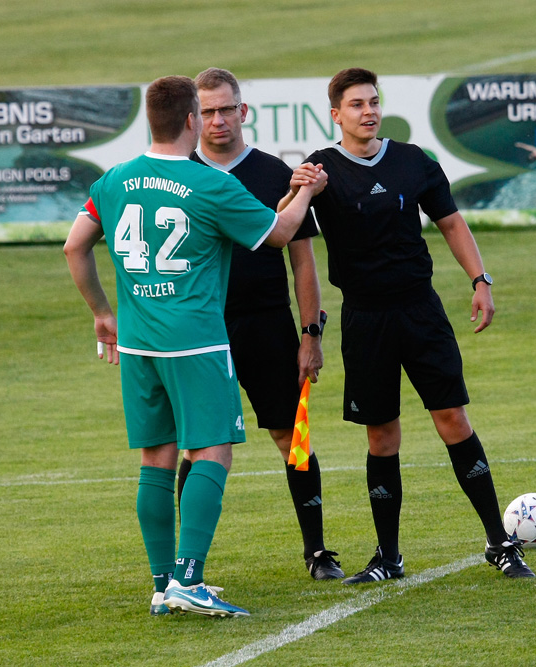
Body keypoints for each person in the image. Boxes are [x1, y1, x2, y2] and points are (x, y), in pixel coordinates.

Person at [63, 75, 326, 617]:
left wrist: (102, 315)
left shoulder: (113, 180)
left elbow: (75, 246)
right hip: (198, 342)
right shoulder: (209, 185)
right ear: (190, 120)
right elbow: (278, 235)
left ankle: (162, 584)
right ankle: (189, 578)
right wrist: (305, 193)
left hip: (137, 346)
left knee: (156, 458)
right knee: (213, 450)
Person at [283, 67, 535, 584]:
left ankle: (500, 542)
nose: (369, 111)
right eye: (356, 104)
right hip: (364, 318)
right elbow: (282, 228)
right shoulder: (319, 169)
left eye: (373, 101)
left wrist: (480, 279)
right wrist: (300, 191)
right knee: (382, 435)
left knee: (453, 421)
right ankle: (389, 557)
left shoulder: (414, 160)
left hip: (420, 310)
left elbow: (450, 222)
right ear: (336, 114)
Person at [174, 67, 343, 581]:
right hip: (201, 331)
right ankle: (187, 563)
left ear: (244, 111)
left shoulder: (275, 173)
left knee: (290, 434)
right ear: (192, 117)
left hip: (267, 325)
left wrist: (310, 334)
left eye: (227, 109)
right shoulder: (176, 174)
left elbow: (303, 264)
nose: (219, 120)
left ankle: (316, 551)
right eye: (208, 111)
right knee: (195, 443)